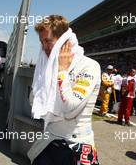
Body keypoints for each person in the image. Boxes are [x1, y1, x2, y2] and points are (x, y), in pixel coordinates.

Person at [28, 15, 101, 165]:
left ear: (63, 41)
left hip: (76, 145)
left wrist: (62, 72)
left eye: (48, 41)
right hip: (48, 142)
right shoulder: (46, 67)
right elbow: (33, 102)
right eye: (41, 42)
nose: (44, 47)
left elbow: (70, 109)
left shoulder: (90, 66)